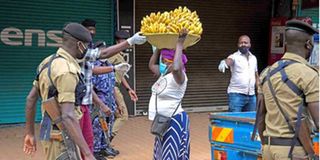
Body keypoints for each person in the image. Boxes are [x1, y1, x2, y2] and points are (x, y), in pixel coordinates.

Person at [23, 22, 146, 160]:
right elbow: (68, 115)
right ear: (79, 45)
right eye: (87, 45)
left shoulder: (47, 62)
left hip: (52, 131)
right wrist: (87, 154)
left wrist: (30, 133)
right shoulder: (67, 71)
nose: (87, 49)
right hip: (64, 135)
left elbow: (30, 99)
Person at [257, 18, 319, 159]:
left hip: (268, 149)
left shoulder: (266, 73)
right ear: (309, 44)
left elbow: (260, 117)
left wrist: (266, 146)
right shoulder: (308, 74)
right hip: (293, 151)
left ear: (286, 44)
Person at [148, 30, 190, 160]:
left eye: (166, 61)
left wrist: (180, 43)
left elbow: (177, 68)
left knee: (171, 155)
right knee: (162, 155)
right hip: (162, 122)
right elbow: (151, 65)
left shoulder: (180, 77)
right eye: (163, 60)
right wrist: (158, 48)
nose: (164, 63)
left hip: (174, 121)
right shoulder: (164, 73)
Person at [109, 30, 138, 142]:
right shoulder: (113, 55)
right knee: (122, 116)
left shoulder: (119, 55)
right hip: (112, 88)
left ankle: (104, 144)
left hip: (114, 88)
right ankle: (105, 144)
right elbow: (104, 70)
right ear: (118, 41)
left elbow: (120, 74)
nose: (127, 43)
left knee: (115, 116)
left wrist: (128, 89)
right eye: (124, 41)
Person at [218, 35, 259, 112]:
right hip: (236, 95)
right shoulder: (234, 56)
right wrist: (224, 62)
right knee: (235, 121)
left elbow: (256, 75)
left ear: (250, 44)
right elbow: (229, 60)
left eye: (245, 43)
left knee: (250, 121)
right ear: (238, 45)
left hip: (251, 96)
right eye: (241, 43)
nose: (243, 44)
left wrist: (259, 90)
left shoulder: (253, 58)